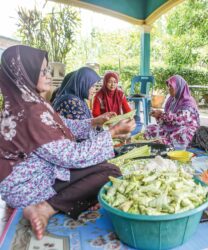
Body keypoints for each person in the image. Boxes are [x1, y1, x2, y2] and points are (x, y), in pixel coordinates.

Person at [0, 45, 136, 240]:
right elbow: (73, 157)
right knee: (110, 173)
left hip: (28, 176)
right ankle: (45, 208)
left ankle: (58, 203)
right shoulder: (30, 112)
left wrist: (94, 121)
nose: (49, 75)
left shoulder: (24, 103)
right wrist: (113, 132)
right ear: (25, 73)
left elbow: (61, 125)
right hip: (27, 187)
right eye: (43, 71)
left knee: (101, 169)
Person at [144, 75, 200, 148]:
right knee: (150, 129)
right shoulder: (171, 100)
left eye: (171, 87)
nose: (169, 89)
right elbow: (167, 120)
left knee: (181, 134)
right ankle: (165, 142)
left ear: (178, 87)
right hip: (171, 128)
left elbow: (179, 121)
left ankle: (167, 143)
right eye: (168, 86)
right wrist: (158, 116)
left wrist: (161, 114)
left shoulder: (188, 102)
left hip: (185, 128)